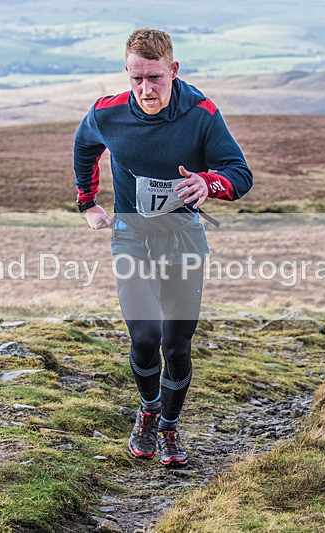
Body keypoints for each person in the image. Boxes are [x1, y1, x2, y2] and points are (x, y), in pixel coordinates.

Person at [73, 28, 252, 467]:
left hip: (183, 237)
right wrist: (88, 203)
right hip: (132, 235)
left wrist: (207, 183)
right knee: (145, 336)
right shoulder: (107, 113)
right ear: (127, 73)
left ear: (173, 70)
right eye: (136, 79)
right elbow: (84, 147)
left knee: (176, 344)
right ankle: (149, 408)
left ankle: (170, 426)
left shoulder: (202, 113)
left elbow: (239, 173)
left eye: (155, 77)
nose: (145, 89)